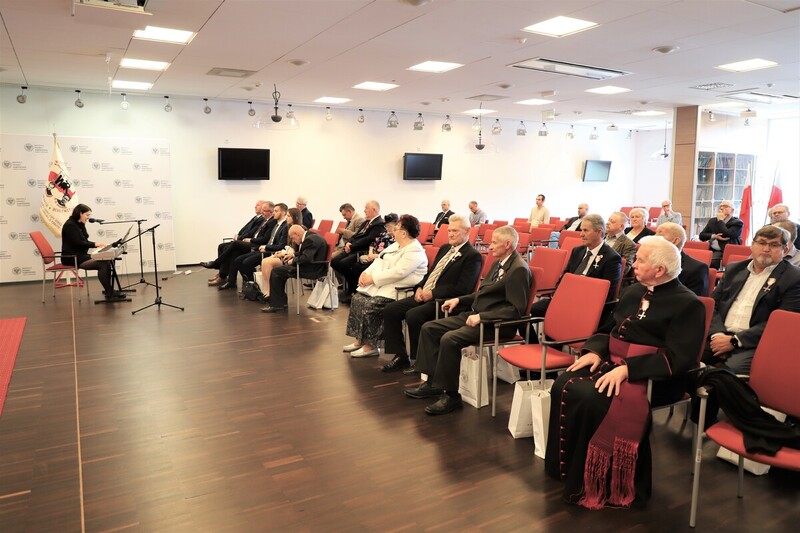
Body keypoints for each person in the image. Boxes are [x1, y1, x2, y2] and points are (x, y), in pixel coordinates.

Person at [545, 236, 706, 510]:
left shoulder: (688, 304)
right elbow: (610, 329)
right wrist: (596, 351)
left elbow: (680, 358)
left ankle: (603, 481)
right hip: (614, 364)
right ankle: (569, 469)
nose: (634, 264)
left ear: (660, 270)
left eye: (640, 260)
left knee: (592, 396)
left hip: (655, 378)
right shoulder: (634, 291)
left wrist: (629, 369)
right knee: (564, 383)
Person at [404, 226, 531, 415]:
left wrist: (482, 317)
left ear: (507, 244)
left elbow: (515, 310)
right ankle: (432, 384)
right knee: (429, 328)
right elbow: (483, 293)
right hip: (478, 315)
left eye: (494, 243)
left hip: (495, 324)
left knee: (450, 339)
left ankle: (451, 396)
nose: (490, 246)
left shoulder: (518, 269)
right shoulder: (499, 263)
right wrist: (459, 300)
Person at [381, 214, 483, 372]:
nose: (450, 234)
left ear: (467, 231)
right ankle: (401, 356)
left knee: (414, 315)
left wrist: (433, 293)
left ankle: (419, 361)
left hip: (445, 301)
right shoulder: (445, 249)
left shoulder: (472, 256)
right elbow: (431, 274)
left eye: (455, 231)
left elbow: (463, 288)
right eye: (449, 230)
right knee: (390, 310)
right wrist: (420, 287)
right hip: (427, 295)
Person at [702, 225, 800, 374]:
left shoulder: (793, 277)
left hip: (754, 343)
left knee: (727, 374)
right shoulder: (734, 269)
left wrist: (735, 341)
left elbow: (781, 323)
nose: (766, 249)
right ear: (752, 245)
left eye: (774, 245)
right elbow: (713, 305)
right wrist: (717, 334)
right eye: (761, 243)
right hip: (719, 335)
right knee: (685, 356)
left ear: (785, 250)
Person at [343, 215, 428, 358]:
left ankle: (371, 345)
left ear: (404, 233)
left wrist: (372, 279)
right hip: (384, 285)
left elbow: (398, 273)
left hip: (400, 290)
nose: (393, 231)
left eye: (396, 228)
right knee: (357, 299)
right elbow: (379, 260)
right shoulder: (396, 245)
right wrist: (365, 274)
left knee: (371, 305)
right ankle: (360, 340)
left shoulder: (414, 250)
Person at [529, 214, 622, 318]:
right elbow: (564, 277)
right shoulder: (577, 251)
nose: (581, 234)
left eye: (586, 230)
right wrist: (559, 295)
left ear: (599, 232)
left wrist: (576, 298)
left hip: (587, 306)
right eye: (581, 230)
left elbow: (607, 294)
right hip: (565, 299)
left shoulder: (612, 258)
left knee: (560, 318)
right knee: (525, 312)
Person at [261, 225, 329, 313]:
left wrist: (293, 261)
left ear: (297, 234)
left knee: (276, 271)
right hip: (314, 267)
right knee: (279, 271)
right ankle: (280, 303)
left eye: (292, 238)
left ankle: (277, 305)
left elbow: (306, 258)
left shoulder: (310, 240)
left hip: (312, 270)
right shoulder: (311, 236)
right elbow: (306, 253)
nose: (293, 241)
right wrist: (293, 255)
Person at [60, 203, 120, 300]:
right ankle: (109, 292)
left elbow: (84, 239)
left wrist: (83, 224)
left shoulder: (78, 223)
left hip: (80, 255)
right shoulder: (70, 225)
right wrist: (95, 244)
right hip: (71, 258)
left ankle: (109, 290)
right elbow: (78, 243)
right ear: (80, 213)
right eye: (87, 215)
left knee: (106, 260)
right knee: (103, 264)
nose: (88, 217)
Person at [203, 200, 270, 285]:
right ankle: (226, 278)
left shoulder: (263, 220)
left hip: (253, 244)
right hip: (247, 240)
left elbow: (252, 233)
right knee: (223, 247)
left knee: (234, 245)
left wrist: (239, 238)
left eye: (258, 205)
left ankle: (217, 266)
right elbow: (245, 228)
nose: (255, 207)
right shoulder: (256, 218)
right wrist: (238, 235)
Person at [331, 200, 385, 299]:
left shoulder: (379, 224)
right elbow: (356, 235)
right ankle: (350, 285)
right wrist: (348, 243)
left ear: (374, 210)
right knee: (334, 261)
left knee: (344, 264)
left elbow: (368, 240)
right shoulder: (366, 222)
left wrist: (352, 246)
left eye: (366, 208)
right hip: (354, 248)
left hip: (362, 250)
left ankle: (352, 289)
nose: (364, 211)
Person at [229, 203, 289, 291]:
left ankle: (254, 287)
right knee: (238, 260)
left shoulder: (285, 226)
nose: (273, 213)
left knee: (246, 262)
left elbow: (281, 246)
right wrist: (265, 247)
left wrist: (266, 247)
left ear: (283, 212)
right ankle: (250, 285)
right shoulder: (277, 225)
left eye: (276, 211)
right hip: (266, 249)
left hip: (272, 252)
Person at [258, 207, 304, 301]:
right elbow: (287, 246)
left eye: (288, 216)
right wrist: (281, 252)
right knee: (264, 261)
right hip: (286, 253)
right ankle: (267, 290)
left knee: (268, 263)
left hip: (291, 258)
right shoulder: (288, 227)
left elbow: (298, 250)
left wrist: (283, 254)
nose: (286, 218)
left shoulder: (299, 230)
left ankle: (270, 293)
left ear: (295, 217)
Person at [655, 222, 709, 296]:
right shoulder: (649, 261)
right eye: (655, 234)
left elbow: (695, 300)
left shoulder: (696, 268)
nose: (654, 238)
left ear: (675, 241)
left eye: (660, 235)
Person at [698, 200, 743, 269]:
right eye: (721, 206)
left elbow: (726, 234)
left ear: (732, 210)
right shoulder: (713, 221)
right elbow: (701, 236)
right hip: (711, 249)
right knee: (697, 260)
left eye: (725, 206)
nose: (722, 208)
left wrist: (720, 220)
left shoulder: (737, 223)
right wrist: (714, 236)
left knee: (710, 262)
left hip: (725, 251)